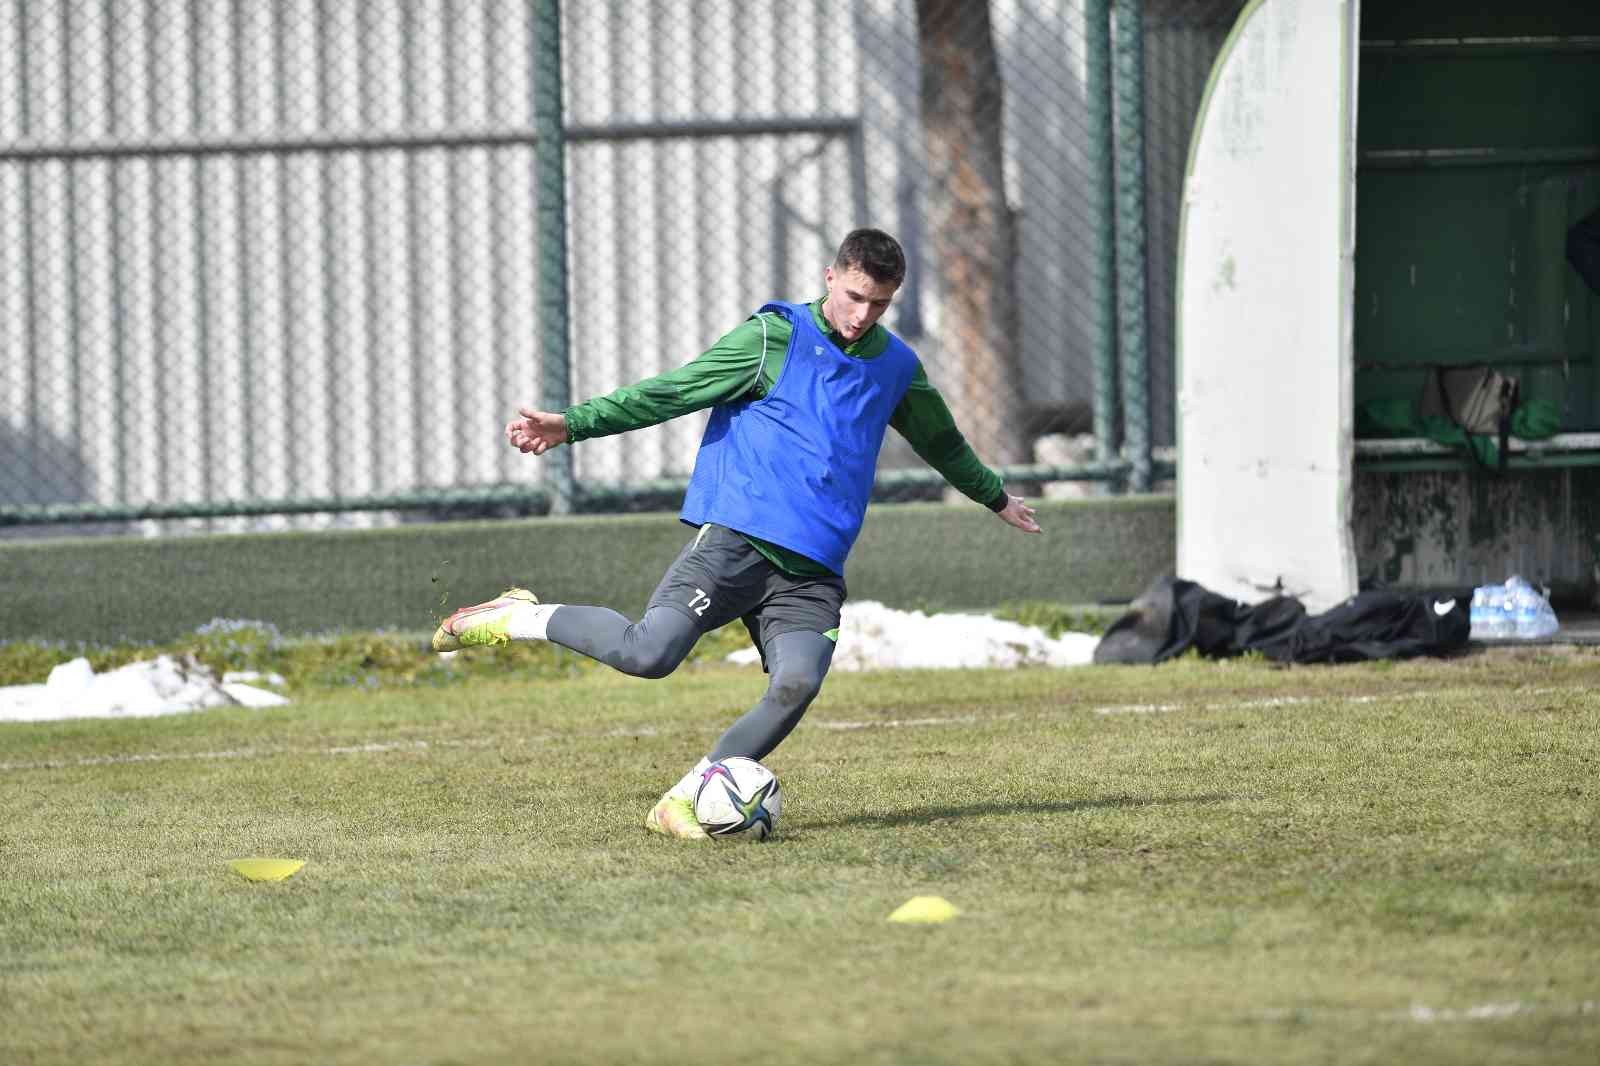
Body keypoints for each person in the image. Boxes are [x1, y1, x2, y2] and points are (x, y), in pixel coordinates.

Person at [432, 227, 1042, 838]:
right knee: (649, 654)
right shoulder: (773, 338)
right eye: (855, 296)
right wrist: (574, 424)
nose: (862, 315)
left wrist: (994, 497)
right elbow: (674, 390)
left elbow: (942, 441)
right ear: (830, 277)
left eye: (878, 304)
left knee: (797, 683)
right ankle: (516, 616)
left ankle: (682, 800)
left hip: (813, 569)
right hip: (738, 539)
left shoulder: (896, 367)